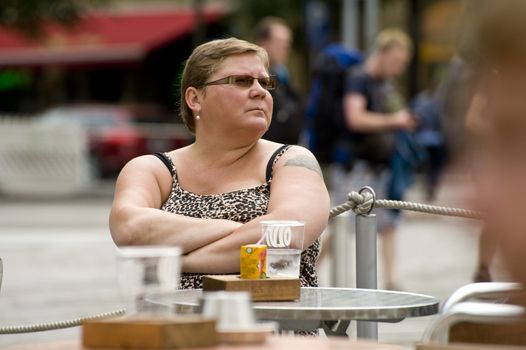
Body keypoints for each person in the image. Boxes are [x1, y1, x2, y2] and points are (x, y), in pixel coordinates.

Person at [109, 37, 329, 291]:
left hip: (277, 326)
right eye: (242, 81)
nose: (260, 91)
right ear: (195, 98)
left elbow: (287, 236)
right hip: (175, 327)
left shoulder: (292, 161)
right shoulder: (152, 169)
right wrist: (243, 231)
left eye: (265, 82)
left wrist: (176, 261)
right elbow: (130, 229)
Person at [340, 29, 416, 290]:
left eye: (402, 65)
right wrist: (394, 121)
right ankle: (309, 270)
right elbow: (355, 117)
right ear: (381, 53)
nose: (397, 69)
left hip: (383, 165)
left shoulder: (385, 83)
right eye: (395, 62)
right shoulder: (358, 79)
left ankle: (392, 280)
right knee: (341, 224)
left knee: (389, 224)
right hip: (359, 166)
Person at [254, 17, 303, 145]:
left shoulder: (283, 76)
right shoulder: (253, 79)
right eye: (279, 41)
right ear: (262, 43)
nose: (285, 47)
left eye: (288, 42)